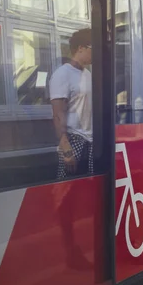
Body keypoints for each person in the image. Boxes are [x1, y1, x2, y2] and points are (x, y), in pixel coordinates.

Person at [49, 28, 93, 178]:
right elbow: (58, 114)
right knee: (67, 189)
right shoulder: (62, 74)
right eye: (93, 49)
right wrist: (66, 149)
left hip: (91, 141)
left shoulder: (88, 74)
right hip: (73, 139)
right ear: (81, 48)